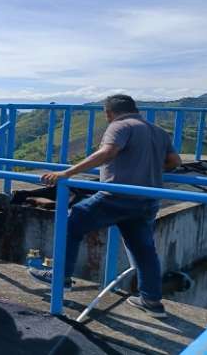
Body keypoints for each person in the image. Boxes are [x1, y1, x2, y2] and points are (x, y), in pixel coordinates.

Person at [29, 94, 181, 318]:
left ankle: (60, 277)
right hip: (147, 199)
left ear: (109, 112)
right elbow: (174, 162)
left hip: (117, 196)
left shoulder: (119, 126)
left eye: (106, 114)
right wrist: (145, 168)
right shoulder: (157, 131)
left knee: (73, 220)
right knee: (144, 250)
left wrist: (67, 173)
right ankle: (151, 300)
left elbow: (108, 152)